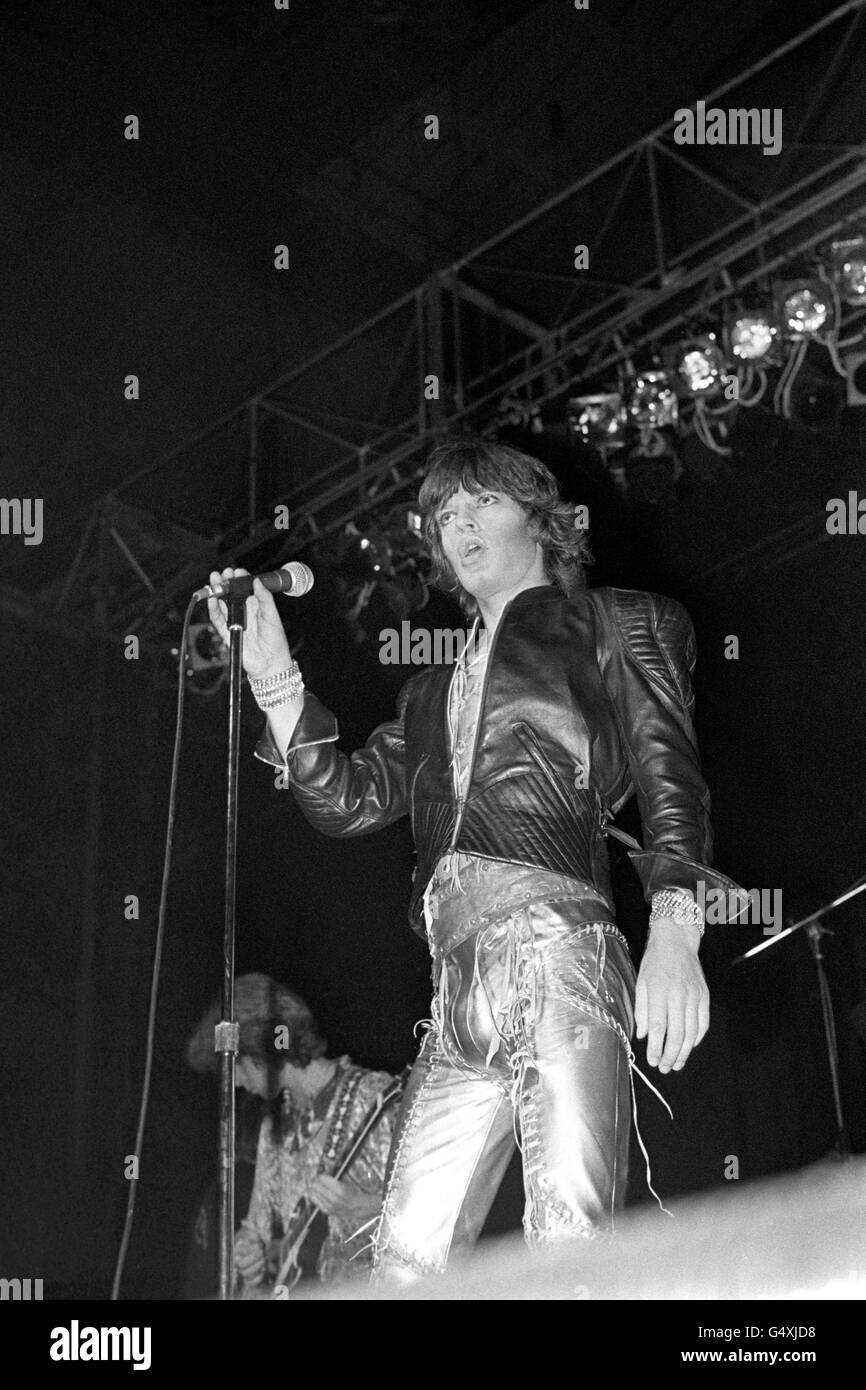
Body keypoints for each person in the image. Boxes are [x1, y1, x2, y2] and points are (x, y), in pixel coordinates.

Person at [206, 437, 739, 1284]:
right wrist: (276, 679)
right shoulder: (428, 693)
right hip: (454, 999)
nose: (459, 525)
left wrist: (678, 934)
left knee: (569, 1237)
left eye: (481, 503)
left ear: (544, 519)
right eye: (444, 516)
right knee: (403, 1262)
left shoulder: (621, 620)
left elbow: (674, 780)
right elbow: (344, 800)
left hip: (557, 954)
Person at [186, 973, 398, 1291]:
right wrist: (251, 1253)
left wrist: (362, 1206)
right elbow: (259, 1229)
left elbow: (435, 1213)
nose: (237, 1083)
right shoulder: (275, 1124)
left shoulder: (374, 1097)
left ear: (261, 1049)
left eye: (237, 1067)